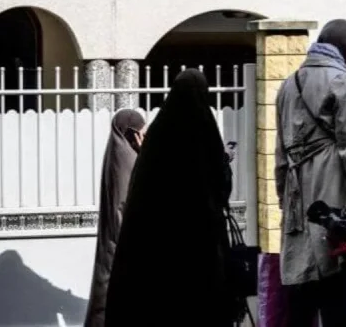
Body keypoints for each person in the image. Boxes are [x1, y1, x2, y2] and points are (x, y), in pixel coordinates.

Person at [105, 69, 235, 326]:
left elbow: (140, 192)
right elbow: (221, 186)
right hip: (199, 246)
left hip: (157, 246)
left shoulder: (158, 135)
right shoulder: (204, 129)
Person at [274, 19, 346, 327]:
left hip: (296, 193)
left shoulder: (288, 83)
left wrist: (284, 196)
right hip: (333, 187)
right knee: (333, 281)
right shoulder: (342, 81)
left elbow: (280, 152)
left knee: (301, 285)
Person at [84, 109, 145, 327]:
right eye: (140, 132)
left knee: (108, 293)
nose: (143, 136)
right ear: (130, 133)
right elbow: (122, 205)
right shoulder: (126, 158)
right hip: (119, 243)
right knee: (110, 293)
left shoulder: (119, 152)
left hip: (115, 240)